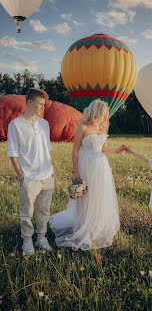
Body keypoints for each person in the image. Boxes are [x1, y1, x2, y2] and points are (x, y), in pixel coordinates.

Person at [49, 99, 125, 251]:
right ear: (96, 111)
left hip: (101, 165)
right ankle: (84, 225)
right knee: (87, 196)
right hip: (86, 164)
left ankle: (98, 224)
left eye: (106, 113)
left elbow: (103, 149)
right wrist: (75, 171)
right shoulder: (83, 127)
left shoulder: (101, 127)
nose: (105, 115)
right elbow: (75, 150)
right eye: (103, 112)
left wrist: (117, 150)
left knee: (100, 195)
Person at [7, 88, 54, 255]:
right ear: (30, 102)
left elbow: (47, 148)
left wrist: (50, 167)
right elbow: (12, 153)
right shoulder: (15, 125)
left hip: (47, 175)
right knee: (26, 213)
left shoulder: (44, 124)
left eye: (44, 104)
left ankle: (41, 238)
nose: (43, 108)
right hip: (29, 178)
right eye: (40, 104)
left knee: (44, 210)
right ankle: (27, 241)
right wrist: (22, 177)